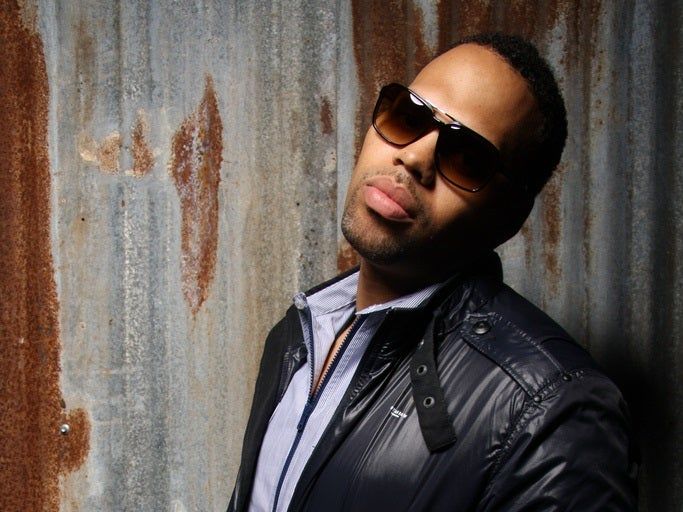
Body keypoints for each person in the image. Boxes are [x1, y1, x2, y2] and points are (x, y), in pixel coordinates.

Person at [228, 33, 638, 511]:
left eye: (466, 156)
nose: (414, 157)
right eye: (408, 116)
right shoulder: (300, 333)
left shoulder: (553, 413)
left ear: (508, 217)